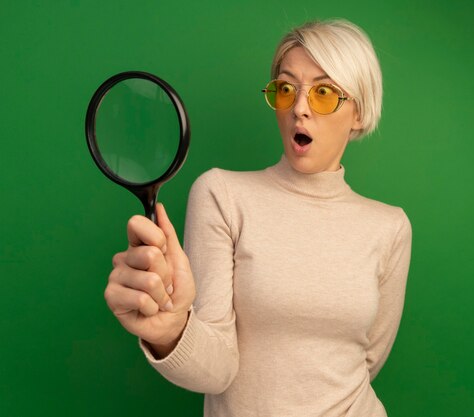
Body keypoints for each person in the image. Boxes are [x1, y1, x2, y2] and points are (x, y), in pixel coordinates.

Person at [104, 19, 412, 417]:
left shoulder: (389, 227)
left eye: (323, 93)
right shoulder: (222, 195)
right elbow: (217, 372)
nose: (299, 108)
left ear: (358, 112)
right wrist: (171, 330)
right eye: (286, 89)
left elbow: (368, 361)